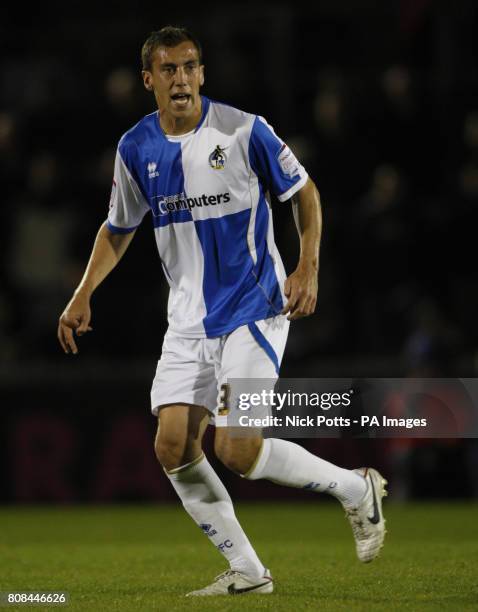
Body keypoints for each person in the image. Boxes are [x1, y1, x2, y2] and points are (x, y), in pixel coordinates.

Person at [57, 26, 387, 597]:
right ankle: (250, 574)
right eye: (168, 70)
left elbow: (304, 193)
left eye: (189, 67)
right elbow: (117, 228)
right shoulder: (135, 149)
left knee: (236, 447)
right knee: (172, 446)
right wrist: (83, 292)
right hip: (186, 323)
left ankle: (357, 490)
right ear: (149, 81)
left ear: (202, 74)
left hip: (254, 311)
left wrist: (307, 267)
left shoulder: (243, 130)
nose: (180, 78)